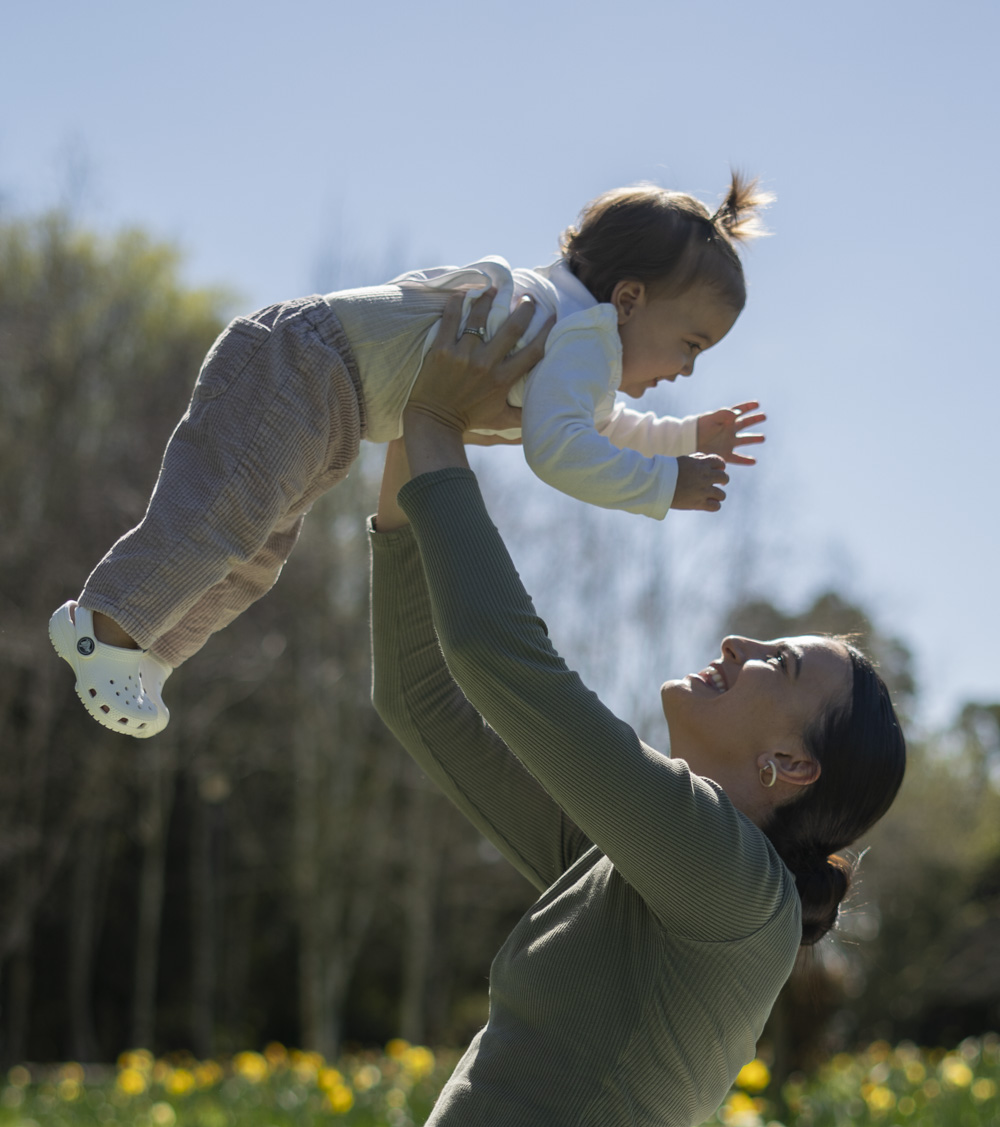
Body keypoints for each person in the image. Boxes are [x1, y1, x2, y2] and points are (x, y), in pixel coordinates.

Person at [345, 291, 906, 1127]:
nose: (745, 647)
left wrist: (441, 429)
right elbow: (427, 704)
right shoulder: (644, 869)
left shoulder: (727, 880)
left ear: (788, 769)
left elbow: (508, 664)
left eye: (783, 667)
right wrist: (402, 492)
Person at [48, 173, 770, 737]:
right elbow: (562, 451)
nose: (687, 370)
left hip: (334, 400)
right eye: (691, 345)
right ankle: (103, 627)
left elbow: (602, 425)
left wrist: (682, 437)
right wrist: (663, 481)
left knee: (256, 555)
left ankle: (145, 655)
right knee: (224, 521)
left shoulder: (575, 334)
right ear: (631, 299)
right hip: (304, 364)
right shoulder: (582, 334)